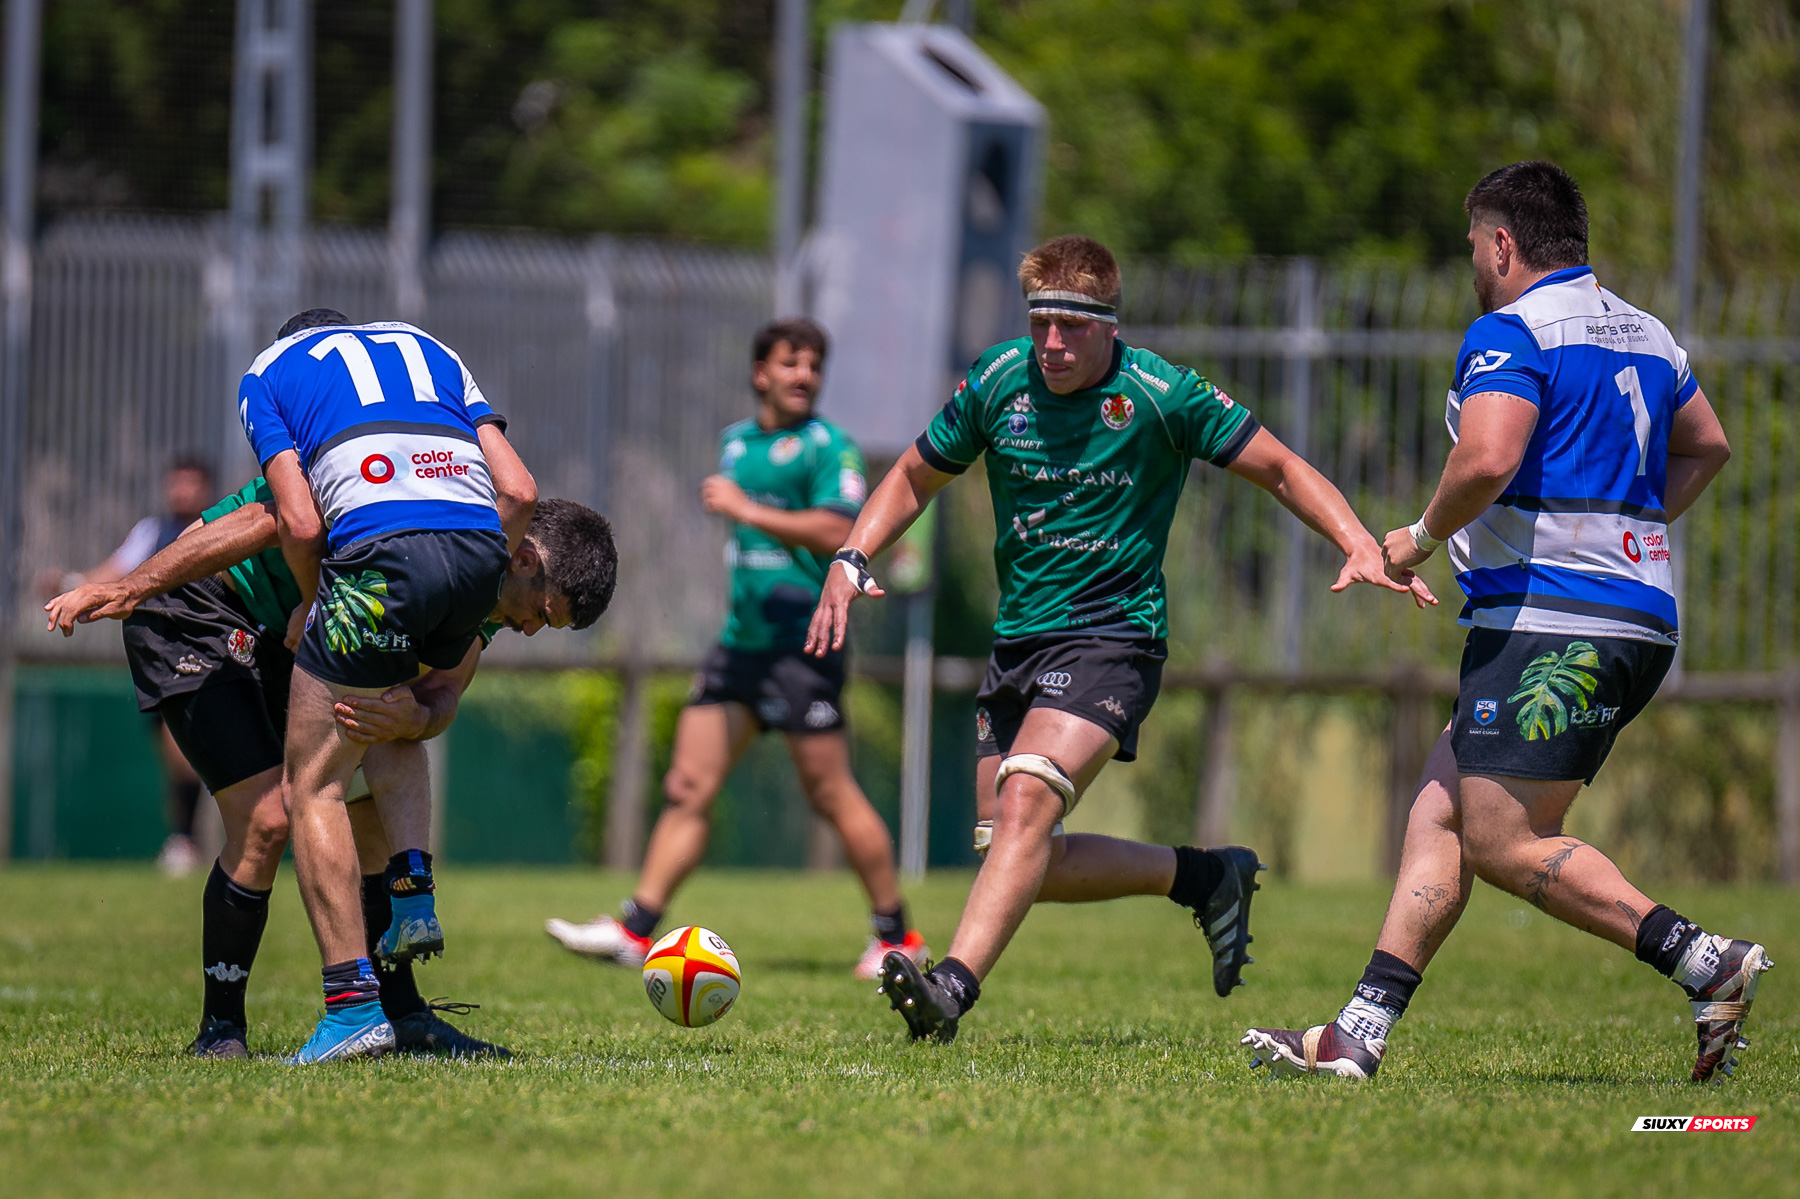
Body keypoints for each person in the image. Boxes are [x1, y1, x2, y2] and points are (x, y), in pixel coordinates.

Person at [806, 236, 1432, 1042]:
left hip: (1113, 636)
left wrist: (1353, 538)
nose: (1054, 345)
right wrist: (853, 557)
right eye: (1042, 325)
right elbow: (913, 475)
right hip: (1018, 642)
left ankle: (950, 990)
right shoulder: (1000, 381)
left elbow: (1277, 466)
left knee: (1027, 796)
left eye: (1072, 326)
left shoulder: (1160, 392)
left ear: (1110, 324)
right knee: (1023, 852)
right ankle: (1205, 875)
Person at [1239, 161, 1766, 1084]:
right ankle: (1358, 1033)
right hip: (1635, 615)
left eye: (1474, 247)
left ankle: (1701, 959)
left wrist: (1414, 537)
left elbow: (1486, 457)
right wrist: (1622, 536)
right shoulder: (1648, 333)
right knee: (1442, 810)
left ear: (1502, 243)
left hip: (1550, 622)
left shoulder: (1509, 331)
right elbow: (1708, 444)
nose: (1473, 265)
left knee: (1502, 838)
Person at [47, 482, 616, 1060]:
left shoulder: (481, 593)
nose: (530, 631)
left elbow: (444, 695)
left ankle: (403, 1015)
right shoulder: (439, 516)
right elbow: (269, 521)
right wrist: (131, 585)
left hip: (291, 642)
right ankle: (220, 1029)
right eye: (543, 614)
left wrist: (412, 714)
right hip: (201, 607)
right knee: (268, 818)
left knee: (369, 816)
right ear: (525, 560)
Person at [546, 317, 926, 978]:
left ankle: (897, 937)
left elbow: (842, 525)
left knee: (830, 792)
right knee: (688, 783)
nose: (804, 375)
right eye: (790, 363)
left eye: (812, 365)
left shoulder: (827, 445)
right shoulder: (735, 443)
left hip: (803, 643)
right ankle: (636, 931)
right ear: (760, 373)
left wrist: (748, 510)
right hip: (739, 645)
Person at [237, 307, 541, 1063]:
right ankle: (412, 890)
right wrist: (467, 571)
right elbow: (520, 490)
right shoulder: (429, 343)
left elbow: (301, 525)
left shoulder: (267, 375)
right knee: (387, 712)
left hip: (376, 553)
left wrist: (314, 599)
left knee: (312, 784)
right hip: (477, 547)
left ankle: (350, 1007)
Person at [39, 456, 217, 876]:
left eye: (191, 485)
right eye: (177, 483)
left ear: (205, 489)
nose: (182, 492)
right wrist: (68, 584)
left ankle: (188, 841)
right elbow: (114, 574)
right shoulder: (151, 531)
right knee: (176, 757)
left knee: (185, 754)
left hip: (209, 653)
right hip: (157, 657)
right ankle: (185, 839)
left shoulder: (217, 528)